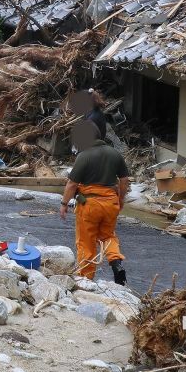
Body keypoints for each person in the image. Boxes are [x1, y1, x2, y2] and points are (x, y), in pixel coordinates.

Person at [59, 120, 129, 284]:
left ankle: (85, 279)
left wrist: (63, 204)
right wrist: (120, 200)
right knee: (108, 236)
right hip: (111, 203)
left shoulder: (84, 156)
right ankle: (116, 263)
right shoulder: (114, 154)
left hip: (90, 205)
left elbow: (72, 184)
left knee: (86, 242)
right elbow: (124, 180)